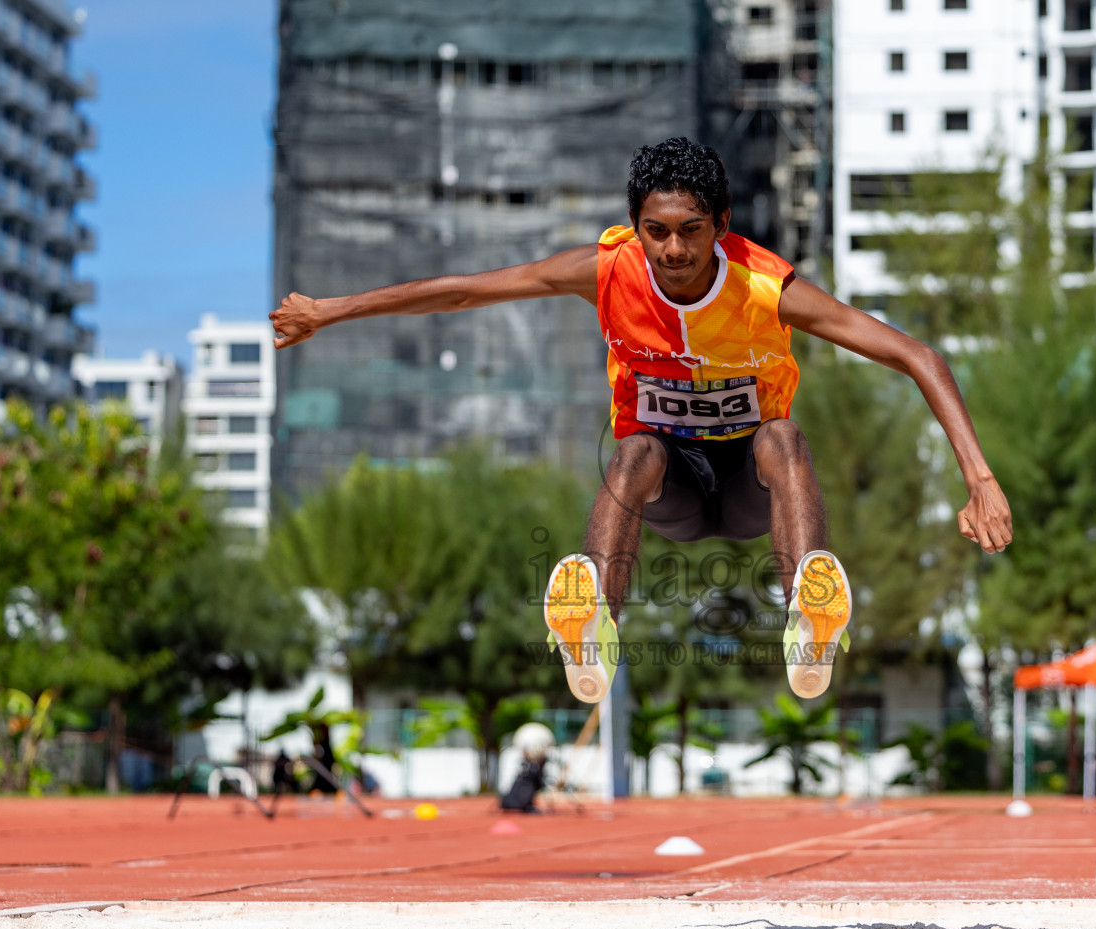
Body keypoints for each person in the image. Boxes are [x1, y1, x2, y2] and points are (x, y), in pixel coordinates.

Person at [270, 138, 1012, 705]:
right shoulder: (609, 272)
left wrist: (979, 477)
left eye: (691, 230)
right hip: (673, 488)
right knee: (632, 453)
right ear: (636, 227)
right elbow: (466, 292)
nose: (674, 251)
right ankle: (593, 628)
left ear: (721, 226)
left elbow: (917, 354)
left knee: (784, 436)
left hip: (754, 485)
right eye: (656, 231)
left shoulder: (767, 287)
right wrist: (333, 310)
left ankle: (808, 627)